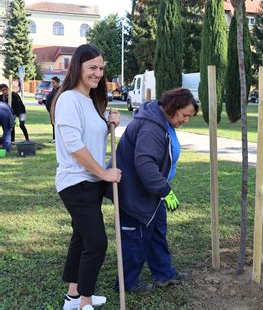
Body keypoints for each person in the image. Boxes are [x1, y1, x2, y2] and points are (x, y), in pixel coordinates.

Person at [50, 44, 122, 310]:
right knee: (97, 244)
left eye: (101, 68)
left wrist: (109, 123)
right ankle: (85, 303)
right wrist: (104, 172)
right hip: (75, 182)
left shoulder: (90, 100)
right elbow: (74, 145)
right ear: (77, 67)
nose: (98, 73)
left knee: (81, 239)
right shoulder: (68, 98)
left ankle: (72, 297)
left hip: (90, 182)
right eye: (92, 67)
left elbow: (91, 137)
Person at [109, 87, 198, 293]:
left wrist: (160, 190)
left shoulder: (162, 121)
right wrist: (164, 189)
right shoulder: (152, 128)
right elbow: (145, 163)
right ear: (172, 108)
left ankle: (164, 273)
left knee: (157, 232)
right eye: (185, 115)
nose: (186, 120)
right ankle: (127, 282)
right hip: (135, 193)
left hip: (151, 192)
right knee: (135, 239)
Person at [45, 76, 61, 142]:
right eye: (51, 83)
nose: (52, 84)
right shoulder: (54, 90)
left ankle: (56, 138)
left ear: (58, 83)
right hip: (51, 110)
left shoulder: (60, 90)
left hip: (56, 110)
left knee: (56, 124)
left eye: (53, 82)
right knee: (53, 124)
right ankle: (54, 138)